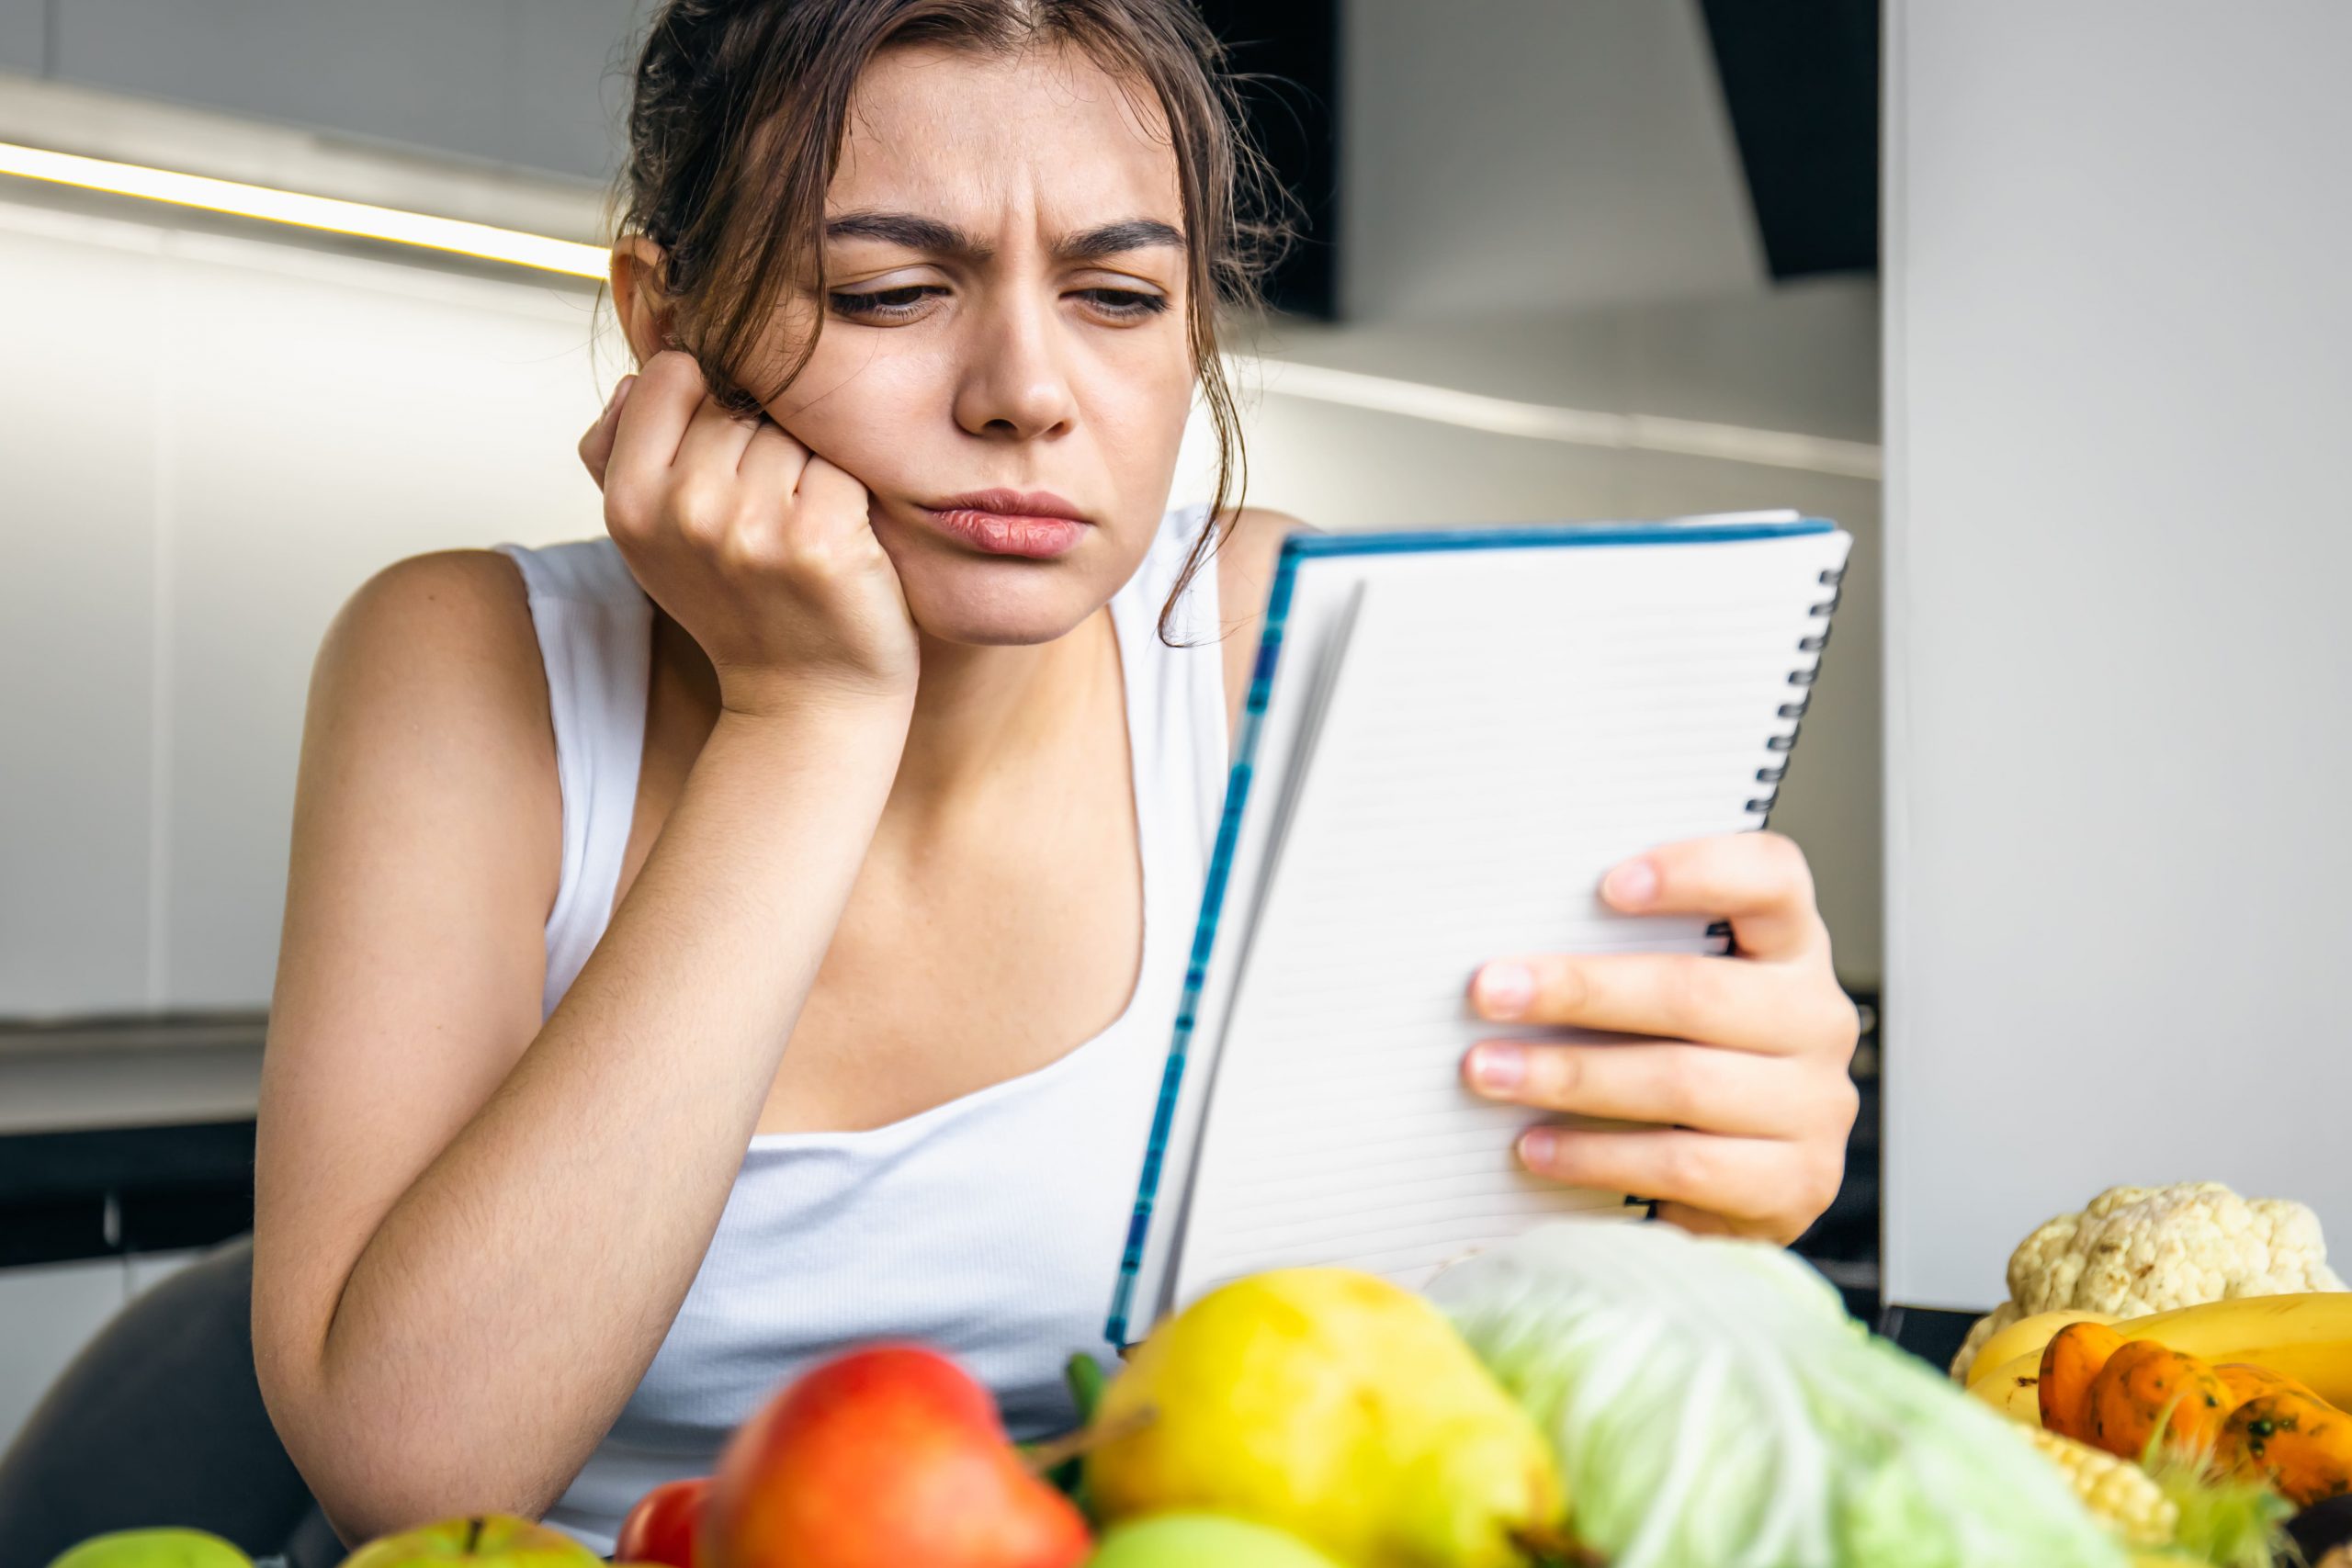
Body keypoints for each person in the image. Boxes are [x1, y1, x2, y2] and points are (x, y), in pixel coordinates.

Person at [249, 0, 1861, 1552]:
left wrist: (1702, 1206)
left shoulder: (1275, 644)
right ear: (667, 327)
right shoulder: (465, 658)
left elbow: (1442, 1377)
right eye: (889, 290)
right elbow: (417, 1469)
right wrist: (803, 718)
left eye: (1116, 296)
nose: (1026, 391)